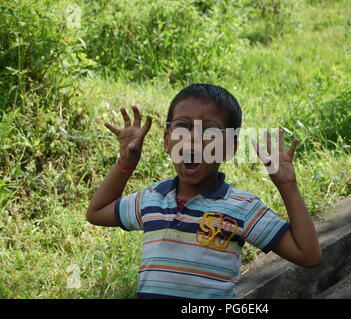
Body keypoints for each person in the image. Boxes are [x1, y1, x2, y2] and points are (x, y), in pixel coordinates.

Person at [86, 83, 322, 299]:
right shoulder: (151, 198)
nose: (193, 139)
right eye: (182, 126)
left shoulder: (242, 208)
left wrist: (288, 187)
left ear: (229, 147)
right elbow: (96, 212)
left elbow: (308, 255)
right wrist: (126, 164)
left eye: (209, 131)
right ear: (167, 140)